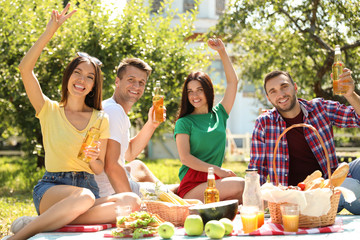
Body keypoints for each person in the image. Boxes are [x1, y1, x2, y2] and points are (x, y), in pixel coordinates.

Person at [9, 4, 140, 239]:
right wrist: (50, 30)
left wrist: (92, 160)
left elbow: (99, 167)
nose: (82, 80)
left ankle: (50, 220)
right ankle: (20, 236)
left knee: (131, 201)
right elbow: (25, 69)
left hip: (88, 189)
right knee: (86, 198)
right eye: (77, 73)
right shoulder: (48, 109)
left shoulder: (100, 118)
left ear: (93, 86)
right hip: (53, 188)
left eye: (89, 77)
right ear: (68, 76)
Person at [249, 69, 360, 214]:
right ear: (269, 98)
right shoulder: (264, 123)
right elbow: (257, 171)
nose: (281, 94)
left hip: (329, 178)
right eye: (273, 91)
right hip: (302, 197)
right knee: (352, 186)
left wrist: (350, 95)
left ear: (295, 87)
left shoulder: (319, 108)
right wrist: (254, 204)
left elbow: (357, 118)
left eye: (284, 87)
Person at [174, 38, 244, 203]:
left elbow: (232, 83)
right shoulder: (184, 122)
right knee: (241, 185)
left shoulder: (219, 114)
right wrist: (219, 171)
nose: (194, 96)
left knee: (244, 198)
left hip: (215, 182)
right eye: (190, 91)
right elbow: (185, 158)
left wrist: (222, 51)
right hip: (192, 187)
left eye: (199, 90)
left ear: (208, 91)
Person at [95, 57, 172, 198]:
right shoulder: (114, 112)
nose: (136, 86)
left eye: (141, 82)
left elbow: (129, 153)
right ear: (117, 81)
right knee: (168, 194)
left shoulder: (113, 108)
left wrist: (151, 124)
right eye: (131, 80)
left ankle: (171, 193)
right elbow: (111, 167)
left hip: (108, 184)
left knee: (138, 166)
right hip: (110, 191)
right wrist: (130, 201)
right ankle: (174, 196)